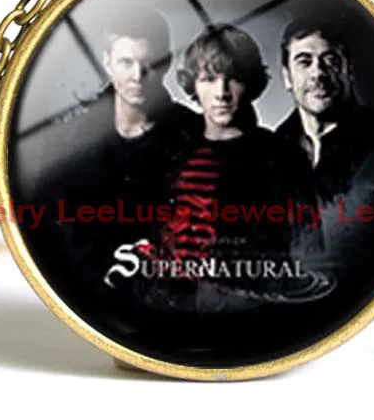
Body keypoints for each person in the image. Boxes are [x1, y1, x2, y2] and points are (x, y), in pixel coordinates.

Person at [104, 22, 319, 314]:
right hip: (166, 307)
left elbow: (306, 253)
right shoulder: (171, 152)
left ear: (251, 83)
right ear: (193, 84)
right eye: (208, 79)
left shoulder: (280, 157)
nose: (221, 93)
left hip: (243, 310)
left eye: (234, 78)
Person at [28, 8, 198, 290]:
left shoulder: (194, 134)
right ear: (107, 63)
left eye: (150, 63)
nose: (137, 75)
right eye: (126, 62)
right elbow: (43, 224)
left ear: (167, 63)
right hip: (79, 289)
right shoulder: (70, 139)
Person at [275, 12, 374, 271]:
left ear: (349, 70)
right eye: (304, 62)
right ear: (287, 77)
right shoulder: (270, 152)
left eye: (330, 60)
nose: (318, 73)